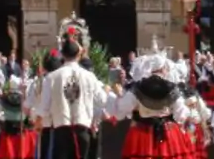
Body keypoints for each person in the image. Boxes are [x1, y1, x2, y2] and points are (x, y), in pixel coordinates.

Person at [36, 28, 108, 159]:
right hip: (82, 128)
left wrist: (39, 120)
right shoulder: (89, 76)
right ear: (79, 54)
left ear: (62, 55)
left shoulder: (51, 77)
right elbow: (102, 100)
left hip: (61, 130)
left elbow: (44, 105)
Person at [108, 51, 192, 159]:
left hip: (143, 133)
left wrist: (120, 97)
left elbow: (122, 110)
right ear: (163, 69)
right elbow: (181, 114)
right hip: (167, 132)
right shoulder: (172, 87)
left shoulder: (138, 87)